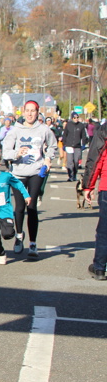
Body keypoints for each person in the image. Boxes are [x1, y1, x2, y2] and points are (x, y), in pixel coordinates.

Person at [0, 100, 57, 258]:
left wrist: (48, 159)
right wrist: (16, 153)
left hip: (36, 172)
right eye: (27, 110)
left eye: (33, 111)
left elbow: (53, 145)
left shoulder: (44, 129)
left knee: (31, 206)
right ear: (23, 112)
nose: (30, 113)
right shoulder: (15, 130)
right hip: (18, 173)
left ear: (37, 113)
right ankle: (19, 236)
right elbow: (6, 152)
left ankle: (33, 243)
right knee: (19, 207)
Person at [0, 152, 31, 265]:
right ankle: (1, 254)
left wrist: (26, 195)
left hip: (5, 211)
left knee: (7, 234)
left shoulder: (6, 177)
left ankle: (18, 234)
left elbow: (18, 184)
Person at [82, 118, 107, 279]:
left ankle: (100, 267)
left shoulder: (104, 130)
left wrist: (88, 186)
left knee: (104, 230)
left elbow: (96, 159)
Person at [62, 112, 88, 182]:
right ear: (72, 118)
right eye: (74, 118)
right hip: (69, 145)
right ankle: (70, 176)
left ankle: (74, 175)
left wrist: (83, 144)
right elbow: (65, 135)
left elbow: (84, 136)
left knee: (76, 161)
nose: (76, 119)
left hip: (77, 146)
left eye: (77, 117)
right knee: (70, 162)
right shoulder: (68, 125)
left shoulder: (81, 125)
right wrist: (64, 144)